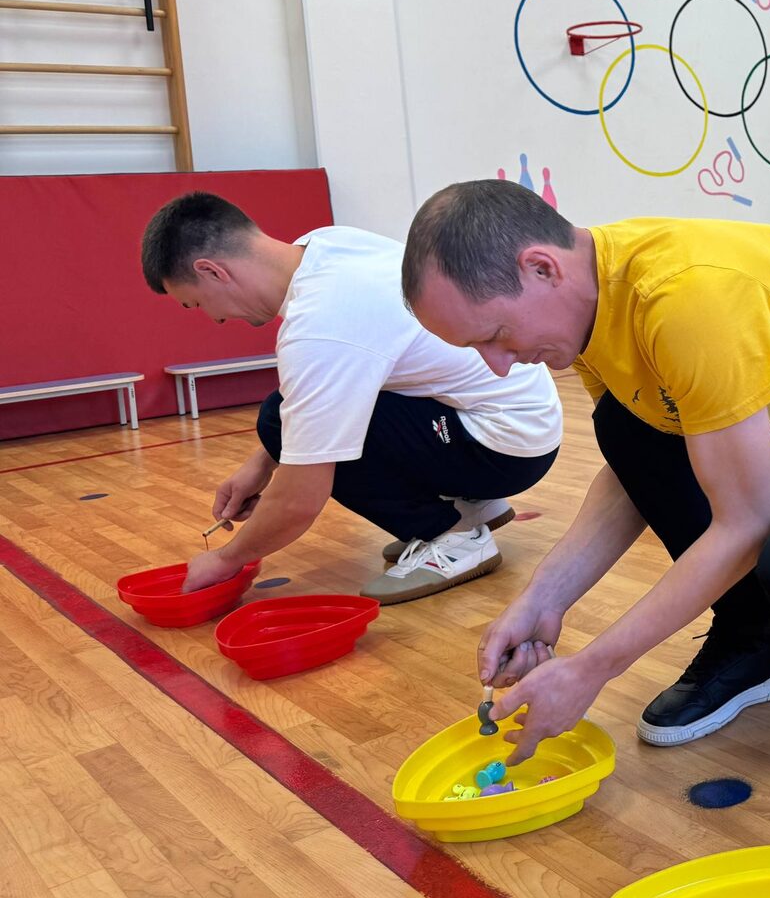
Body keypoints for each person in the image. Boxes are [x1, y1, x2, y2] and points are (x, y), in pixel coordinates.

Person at [400, 181, 770, 761]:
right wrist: (543, 599)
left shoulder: (687, 297)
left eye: (497, 336)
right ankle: (757, 641)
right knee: (625, 428)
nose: (499, 367)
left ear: (541, 268)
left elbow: (746, 522)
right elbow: (636, 474)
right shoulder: (587, 309)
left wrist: (591, 669)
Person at [139, 192, 562, 602]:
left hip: (501, 448)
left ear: (213, 271)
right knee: (280, 416)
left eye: (197, 303)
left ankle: (452, 536)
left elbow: (300, 499)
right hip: (520, 424)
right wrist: (260, 465)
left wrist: (225, 559)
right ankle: (473, 508)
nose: (214, 318)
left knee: (282, 423)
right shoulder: (328, 244)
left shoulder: (320, 324)